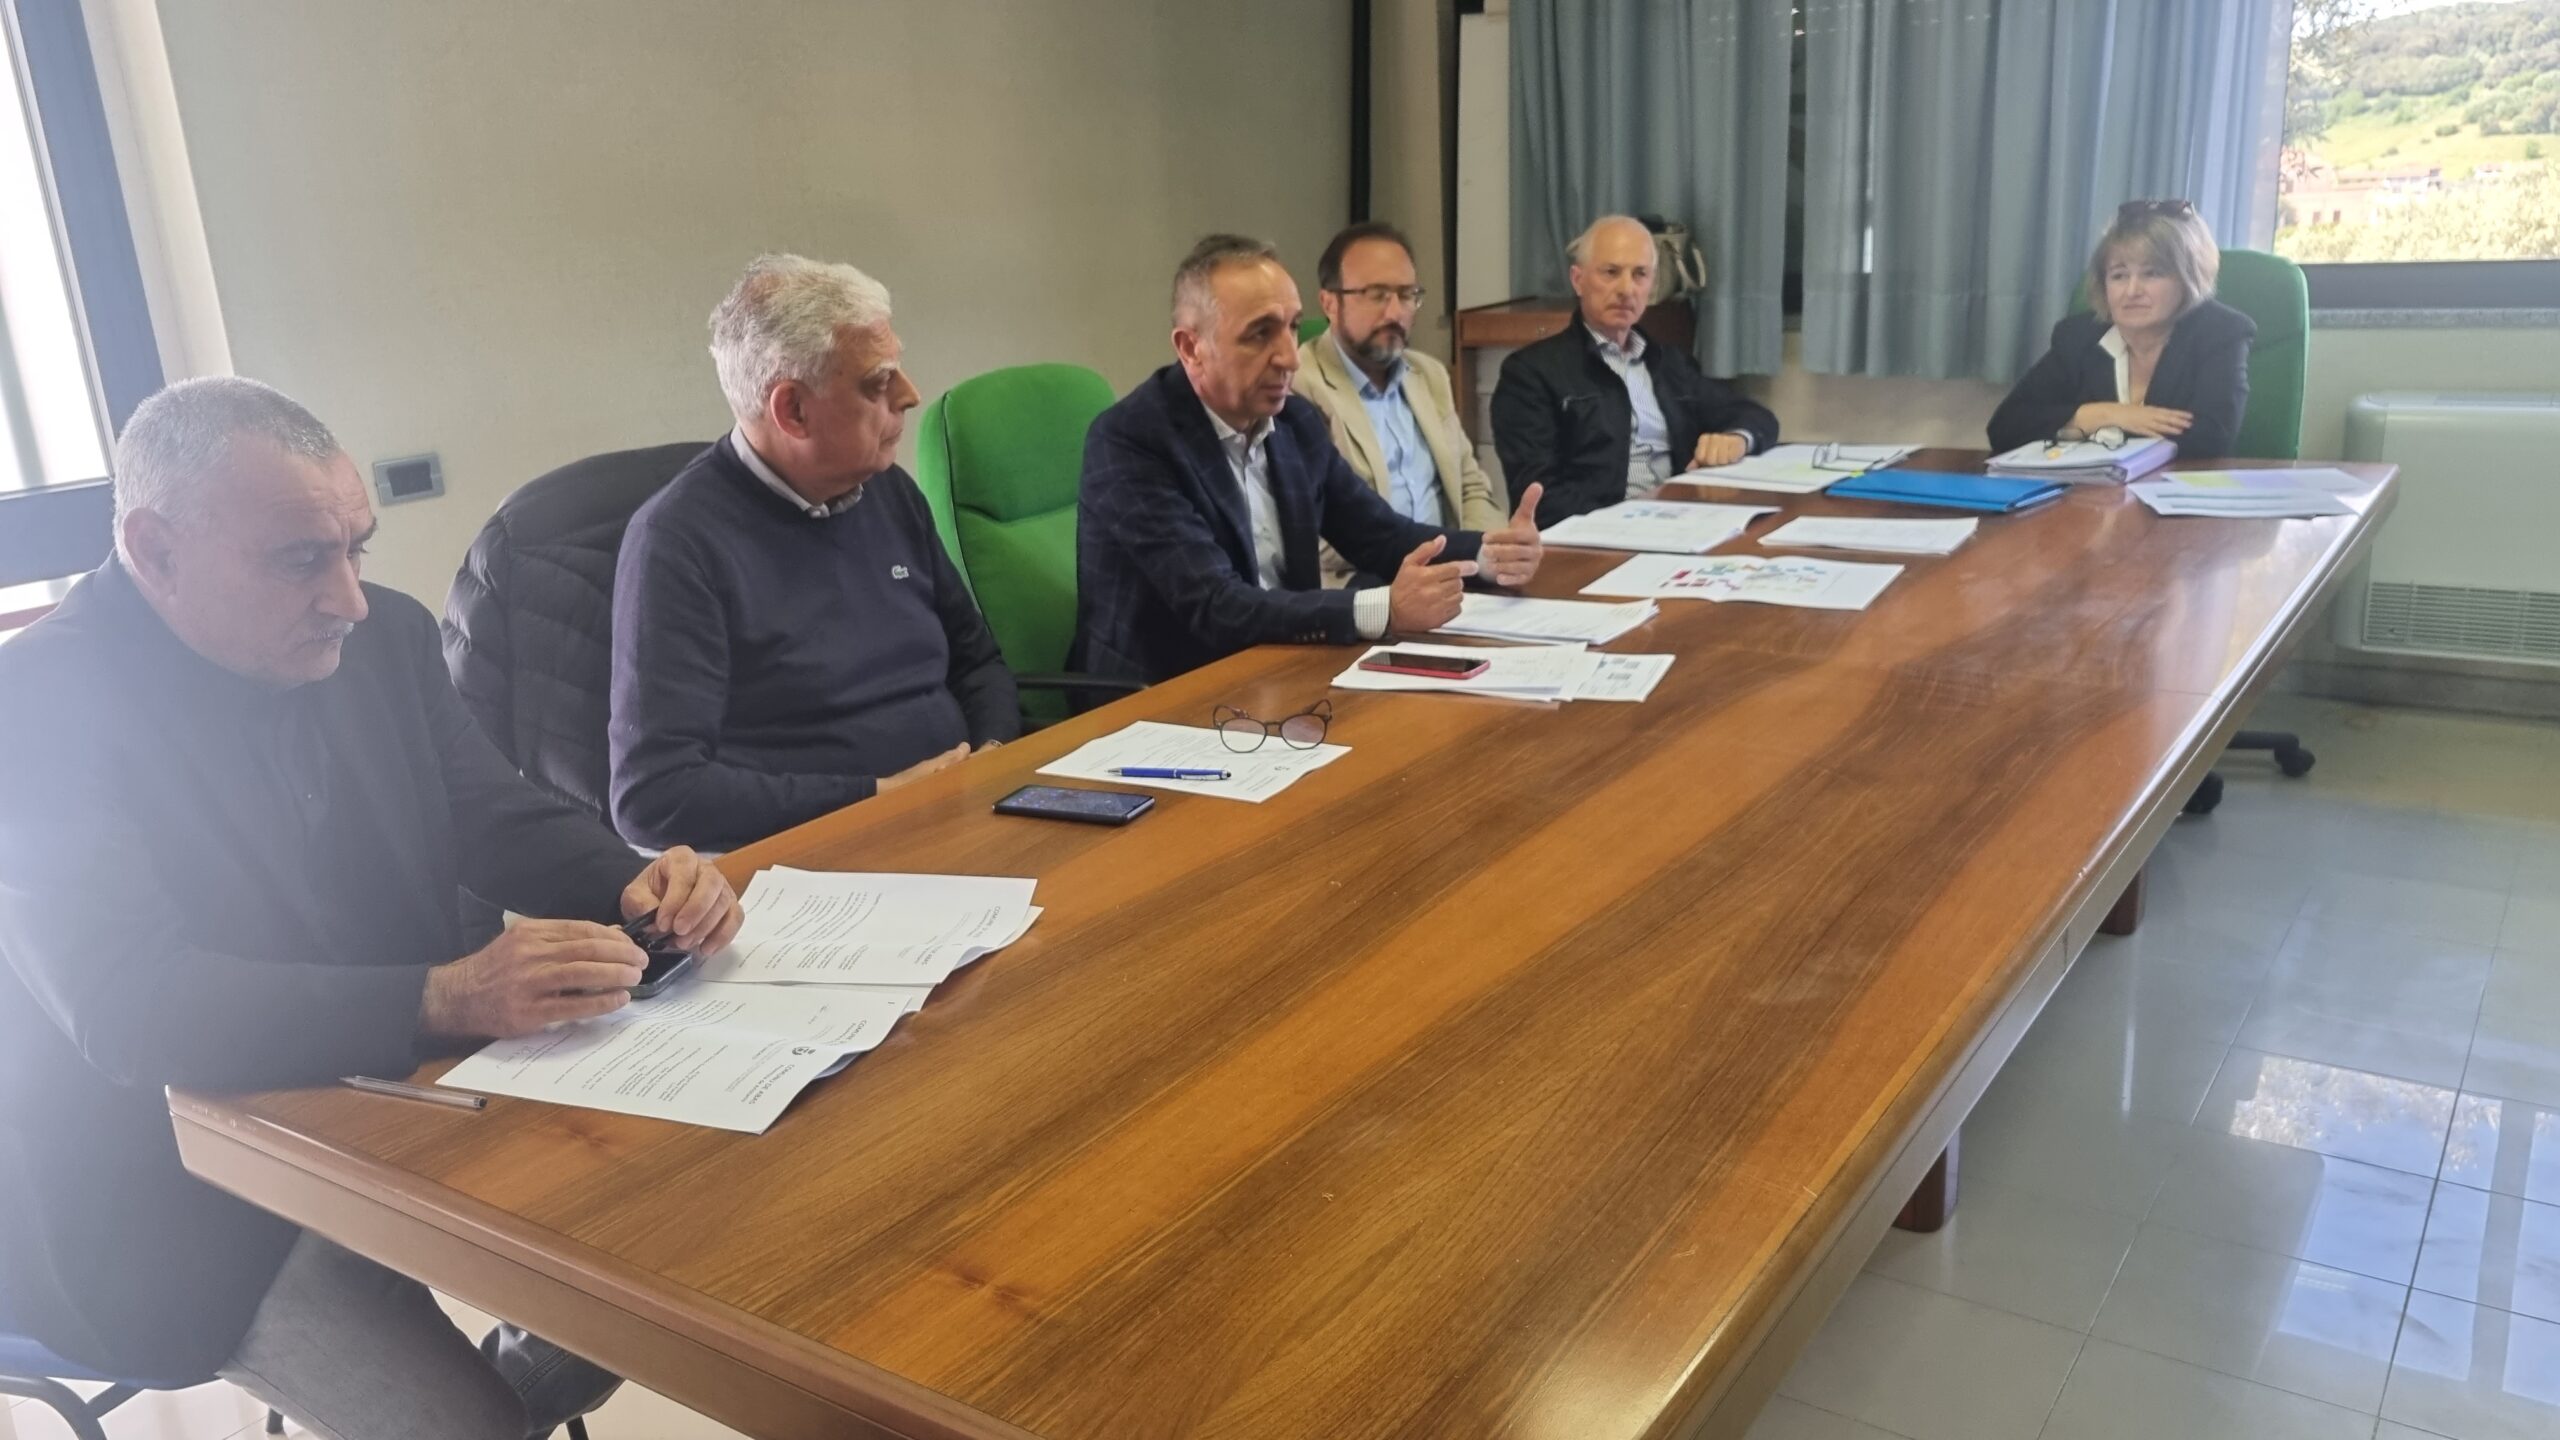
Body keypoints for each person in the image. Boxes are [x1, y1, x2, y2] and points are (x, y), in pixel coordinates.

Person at [0, 377, 744, 1438]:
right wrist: (445, 996)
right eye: (300, 560)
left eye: (356, 548)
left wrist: (628, 878)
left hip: (391, 1110)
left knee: (690, 1239)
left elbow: (487, 810)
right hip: (171, 1199)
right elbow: (129, 1006)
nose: (348, 597)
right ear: (155, 550)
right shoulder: (34, 705)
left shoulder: (382, 636)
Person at [610, 254, 1019, 853]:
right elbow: (654, 795)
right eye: (878, 383)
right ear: (793, 411)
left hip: (961, 812)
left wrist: (991, 756)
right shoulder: (676, 543)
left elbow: (978, 662)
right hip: (826, 857)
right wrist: (881, 796)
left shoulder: (889, 490)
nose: (910, 396)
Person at [1076, 234, 1546, 685]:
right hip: (1166, 692)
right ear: (1191, 348)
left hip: (1285, 666)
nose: (1290, 357)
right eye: (1260, 334)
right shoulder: (1131, 440)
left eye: (1293, 327)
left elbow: (1379, 534)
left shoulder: (1295, 422)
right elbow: (1216, 605)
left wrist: (1489, 555)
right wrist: (1384, 608)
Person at [1490, 214, 1779, 528]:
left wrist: (1737, 438)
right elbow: (1539, 499)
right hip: (1595, 535)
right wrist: (1630, 521)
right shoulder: (1531, 374)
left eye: (1640, 274)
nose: (1626, 289)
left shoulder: (1668, 363)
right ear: (1578, 280)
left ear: (1651, 286)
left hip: (1679, 522)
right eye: (1611, 272)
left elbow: (1757, 417)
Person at [1295, 221, 1504, 587]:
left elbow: (1470, 488)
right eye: (1377, 295)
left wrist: (1491, 553)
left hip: (1452, 578)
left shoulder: (1428, 375)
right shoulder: (1299, 387)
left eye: (1407, 295)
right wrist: (1456, 551)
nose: (1395, 313)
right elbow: (1319, 536)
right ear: (1329, 302)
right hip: (1362, 588)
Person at [1987, 199, 2255, 458]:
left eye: (2152, 273)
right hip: (2091, 487)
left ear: (2189, 280)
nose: (2132, 291)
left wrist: (2078, 426)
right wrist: (2103, 415)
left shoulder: (2221, 333)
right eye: (2119, 275)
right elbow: (2005, 428)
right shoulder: (2078, 337)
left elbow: (2210, 439)